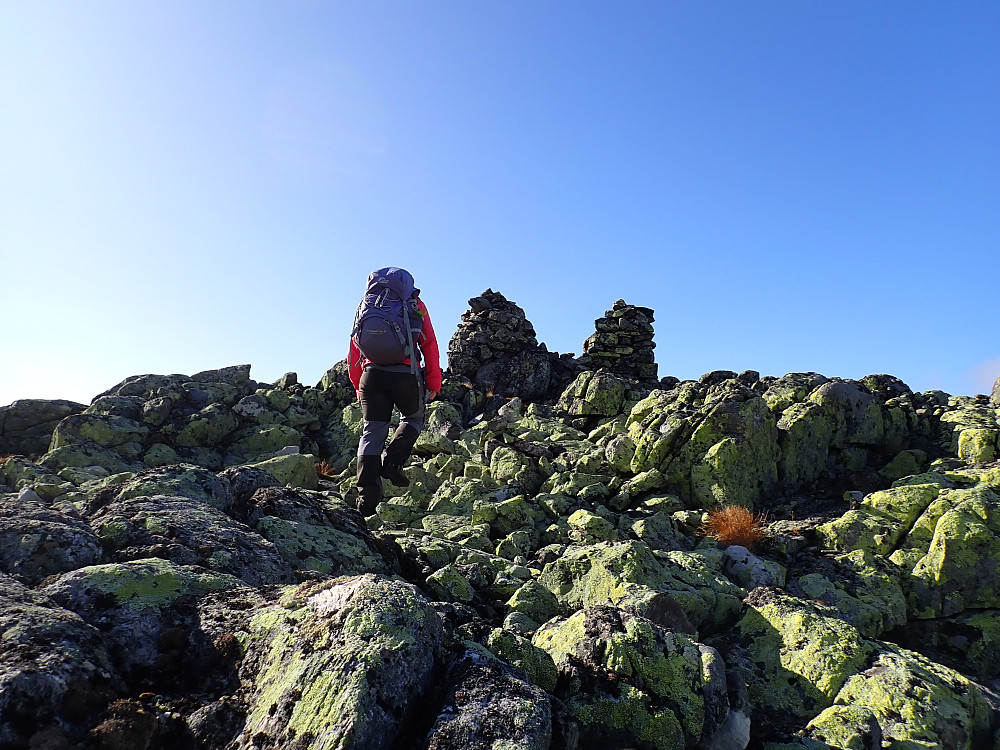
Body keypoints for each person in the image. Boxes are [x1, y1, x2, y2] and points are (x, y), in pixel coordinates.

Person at [348, 267, 441, 516]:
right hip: (405, 374)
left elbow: (354, 348)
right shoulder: (415, 304)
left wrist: (358, 385)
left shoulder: (365, 306)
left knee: (372, 431)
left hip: (371, 375)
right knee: (413, 418)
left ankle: (366, 501)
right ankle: (393, 462)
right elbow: (429, 343)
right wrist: (434, 382)